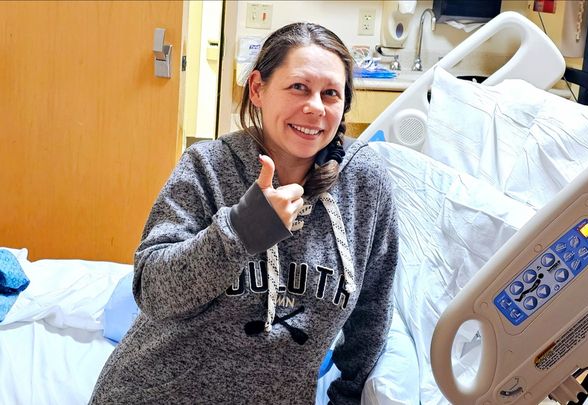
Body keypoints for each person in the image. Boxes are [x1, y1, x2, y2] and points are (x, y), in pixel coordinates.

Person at [90, 22, 398, 404]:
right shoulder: (208, 166)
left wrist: (347, 398)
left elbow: (372, 313)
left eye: (330, 93)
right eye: (298, 87)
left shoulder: (365, 185)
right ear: (257, 89)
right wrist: (240, 231)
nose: (316, 107)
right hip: (156, 392)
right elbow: (152, 292)